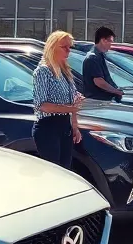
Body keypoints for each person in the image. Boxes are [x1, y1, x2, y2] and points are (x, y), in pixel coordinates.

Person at [32, 30, 84, 168]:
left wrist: (74, 125)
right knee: (53, 170)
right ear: (52, 47)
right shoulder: (43, 71)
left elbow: (73, 102)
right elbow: (41, 105)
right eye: (64, 47)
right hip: (48, 127)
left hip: (64, 126)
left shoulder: (65, 71)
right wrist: (71, 108)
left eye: (69, 47)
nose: (68, 50)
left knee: (65, 169)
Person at [81, 26, 124, 102]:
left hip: (103, 101)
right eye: (110, 41)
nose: (111, 45)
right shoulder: (92, 58)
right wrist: (116, 91)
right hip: (97, 102)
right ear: (103, 40)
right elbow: (99, 81)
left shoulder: (100, 56)